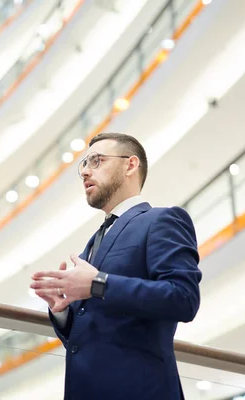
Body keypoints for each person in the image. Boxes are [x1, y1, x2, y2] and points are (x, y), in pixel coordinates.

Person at [30, 132, 202, 400]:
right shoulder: (93, 242)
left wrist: (98, 284)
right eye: (83, 166)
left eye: (96, 161)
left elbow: (184, 298)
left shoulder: (162, 220)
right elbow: (85, 339)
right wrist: (62, 312)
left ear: (130, 165)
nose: (86, 171)